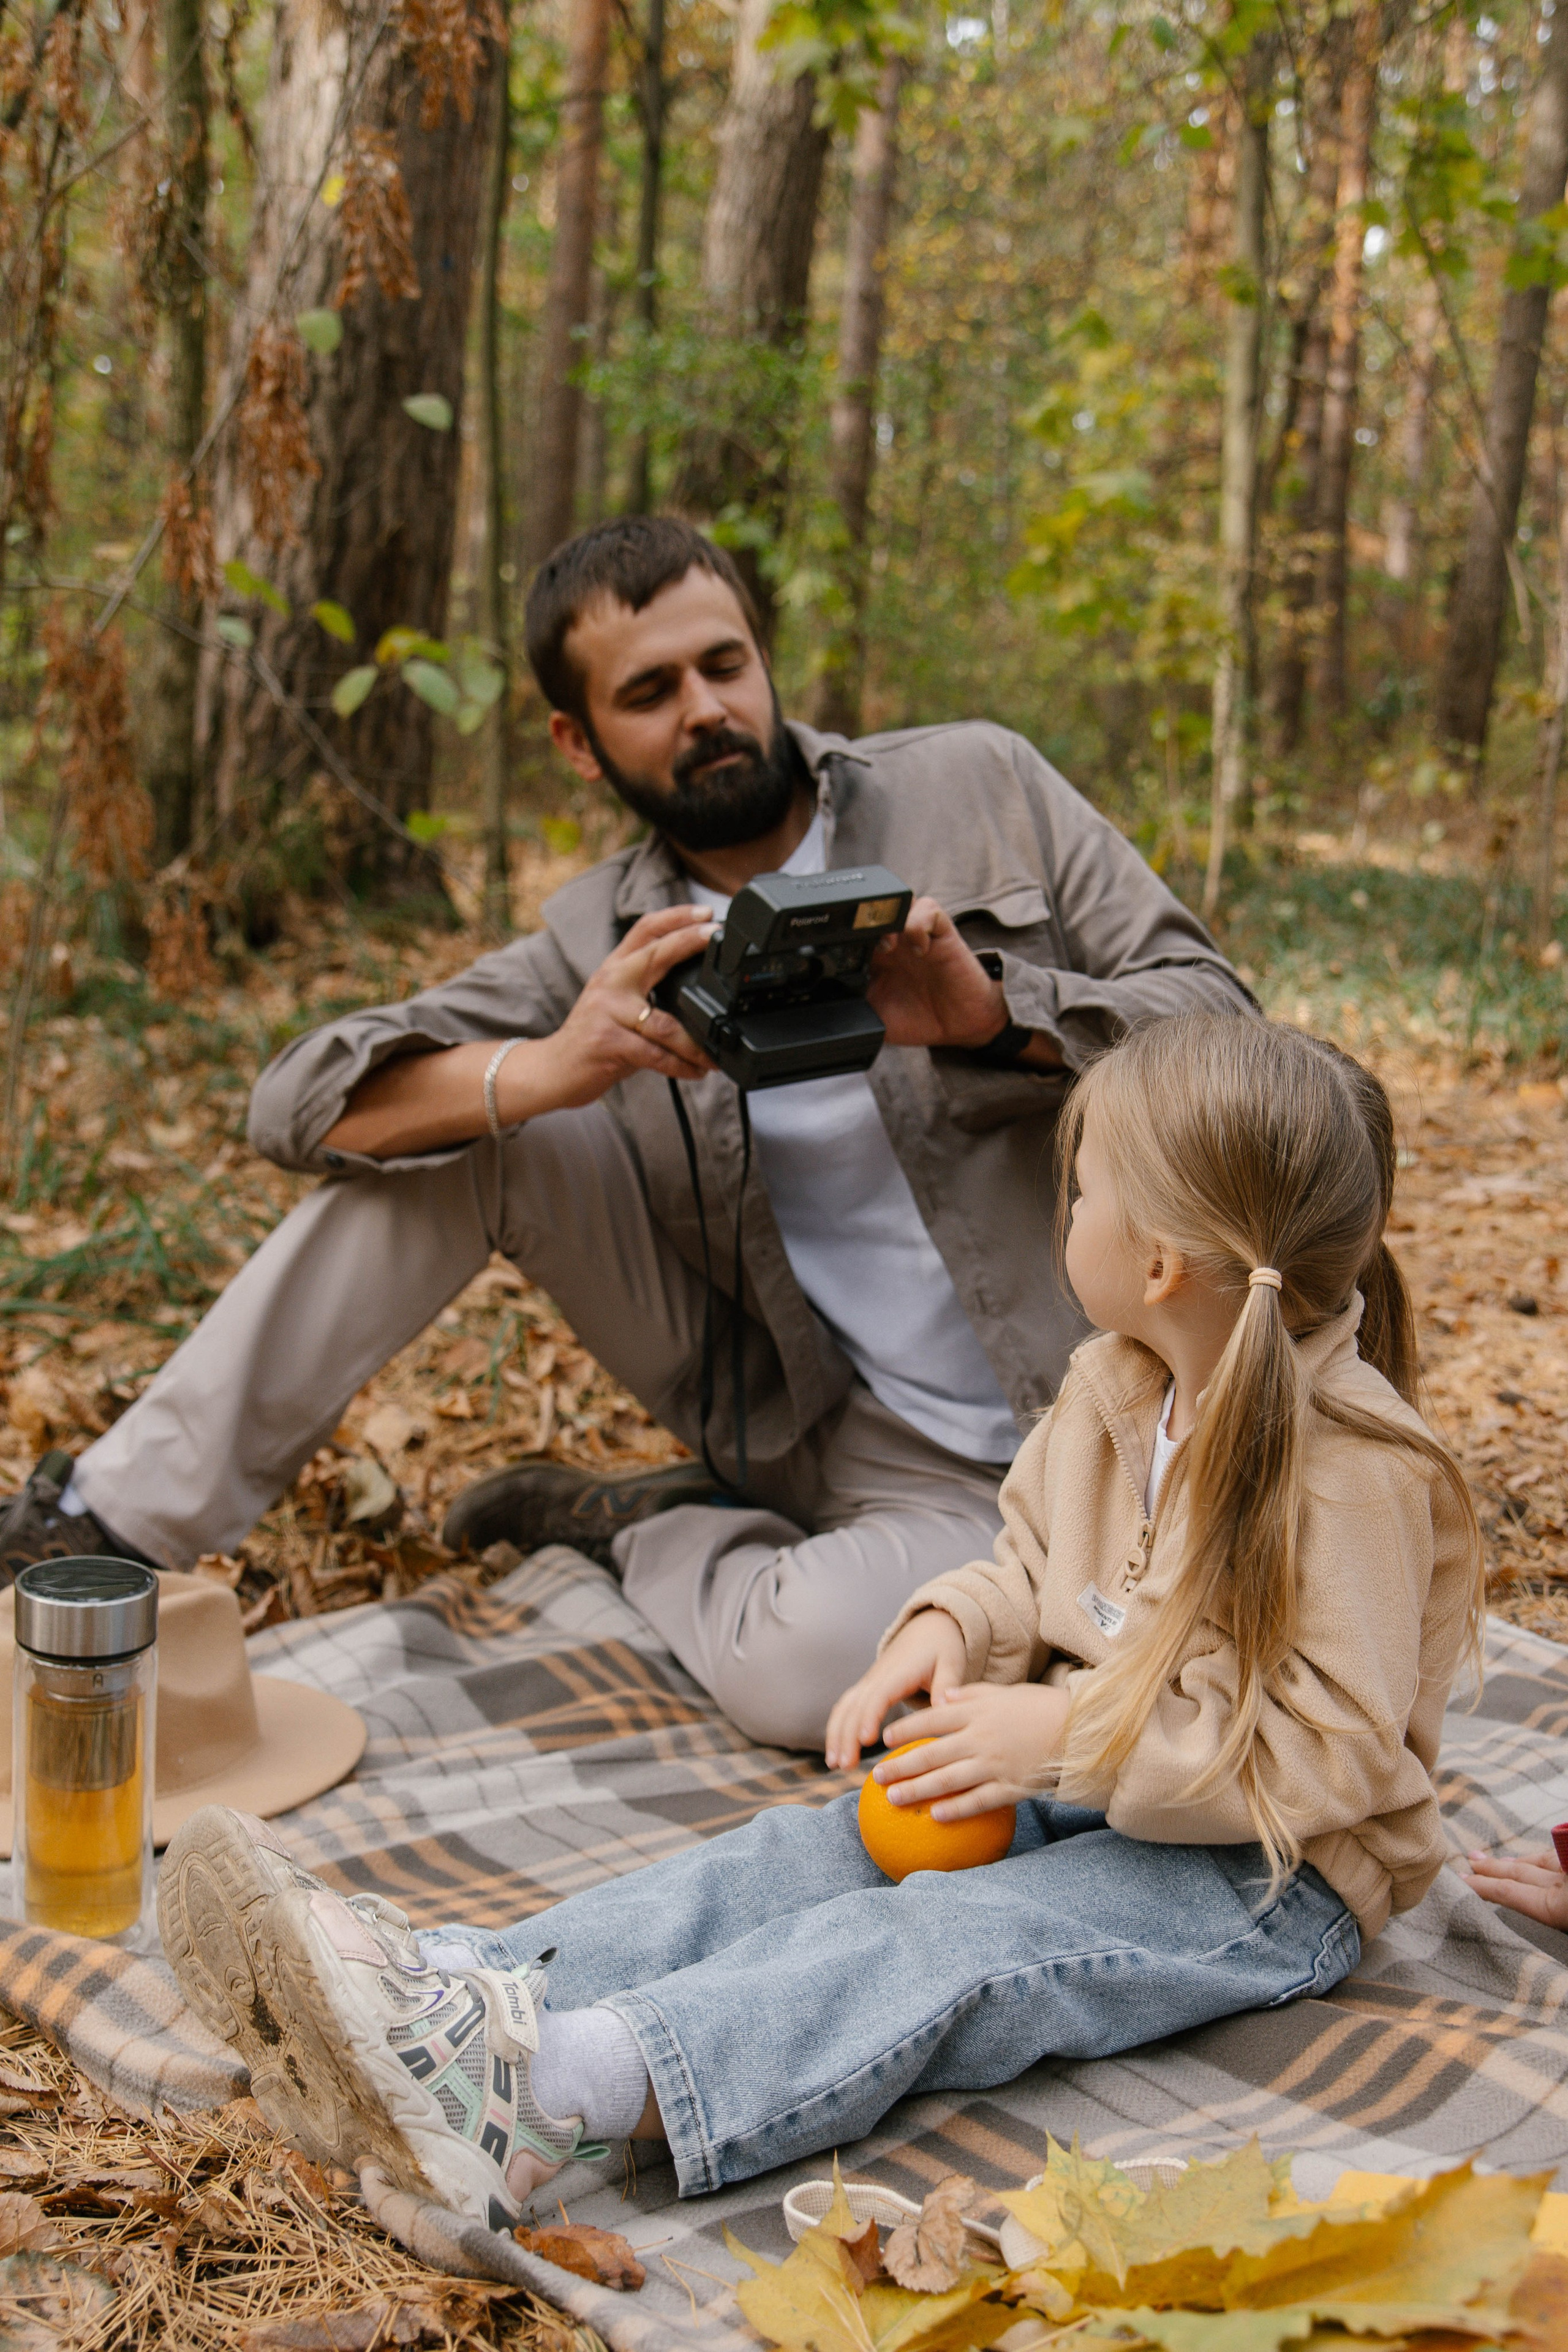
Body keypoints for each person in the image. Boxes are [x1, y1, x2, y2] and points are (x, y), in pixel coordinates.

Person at [158, 1014, 1483, 2225]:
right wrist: (952, 1632)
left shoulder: (1355, 1468)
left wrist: (1064, 1738)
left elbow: (1330, 1760)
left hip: (1266, 1875)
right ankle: (459, 1996)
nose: (1058, 1210)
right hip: (1090, 1769)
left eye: (1077, 1190)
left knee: (955, 1943)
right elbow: (1025, 1566)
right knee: (802, 1857)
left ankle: (551, 2093)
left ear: (1155, 1260)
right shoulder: (1115, 1385)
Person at [0, 516, 1251, 1749]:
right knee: (475, 1129)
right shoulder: (596, 940)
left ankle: (638, 1525)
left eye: (722, 665)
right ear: (578, 742)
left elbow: (1231, 1029)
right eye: (648, 691)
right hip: (845, 1436)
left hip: (1118, 1411)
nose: (704, 710)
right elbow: (298, 1104)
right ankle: (103, 1531)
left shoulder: (978, 788)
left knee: (805, 1669)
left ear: (762, 662)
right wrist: (548, 1066)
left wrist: (994, 1015)